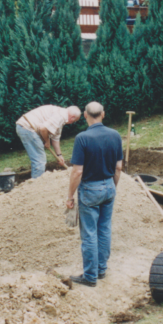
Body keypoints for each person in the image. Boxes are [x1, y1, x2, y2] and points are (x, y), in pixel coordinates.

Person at [66, 101, 123, 287]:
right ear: (103, 114)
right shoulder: (115, 135)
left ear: (85, 115)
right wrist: (112, 186)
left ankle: (90, 276)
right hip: (109, 186)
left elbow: (77, 171)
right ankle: (101, 270)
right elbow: (119, 167)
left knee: (89, 233)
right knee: (104, 228)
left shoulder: (82, 138)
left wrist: (70, 196)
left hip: (90, 189)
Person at [16, 104, 81, 179]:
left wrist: (59, 155)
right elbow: (43, 128)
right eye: (74, 121)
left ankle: (36, 181)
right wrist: (47, 141)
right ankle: (36, 184)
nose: (73, 123)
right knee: (39, 160)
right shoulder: (61, 116)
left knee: (39, 159)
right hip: (27, 127)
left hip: (25, 127)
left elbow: (55, 138)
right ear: (72, 117)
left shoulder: (62, 115)